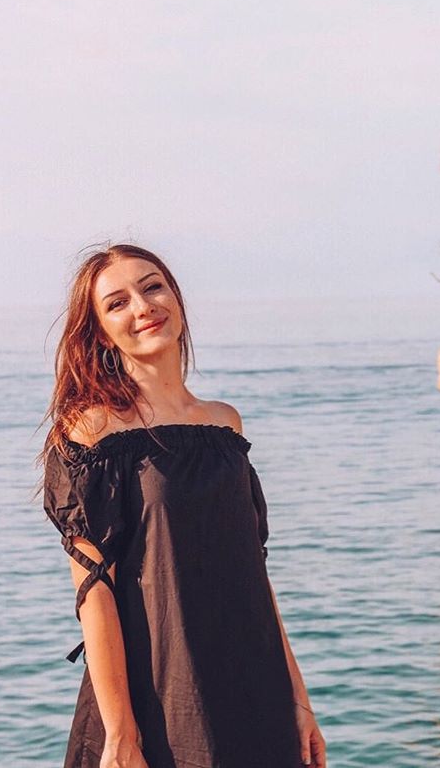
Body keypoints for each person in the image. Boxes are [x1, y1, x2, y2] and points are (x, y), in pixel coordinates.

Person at [40, 243, 327, 768]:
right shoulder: (93, 430)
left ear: (176, 298)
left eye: (152, 287)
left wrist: (297, 698)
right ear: (100, 330)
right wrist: (121, 732)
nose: (143, 306)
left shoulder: (224, 425)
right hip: (161, 694)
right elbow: (93, 592)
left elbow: (253, 576)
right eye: (117, 302)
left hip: (254, 685)